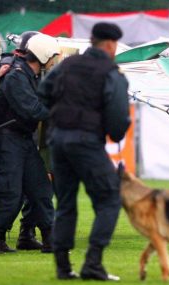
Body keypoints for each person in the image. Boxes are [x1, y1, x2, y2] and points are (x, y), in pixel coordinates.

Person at [38, 22, 130, 281]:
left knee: (65, 204)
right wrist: (116, 133)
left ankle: (63, 267)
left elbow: (43, 92)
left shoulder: (66, 65)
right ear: (111, 45)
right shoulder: (111, 72)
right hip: (87, 142)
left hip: (58, 141)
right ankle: (93, 262)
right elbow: (117, 114)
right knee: (109, 199)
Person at [0, 33, 59, 254]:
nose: (54, 60)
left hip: (22, 140)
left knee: (41, 189)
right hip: (7, 140)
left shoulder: (30, 75)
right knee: (10, 194)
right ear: (43, 55)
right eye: (52, 56)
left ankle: (51, 240)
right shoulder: (17, 76)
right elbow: (32, 109)